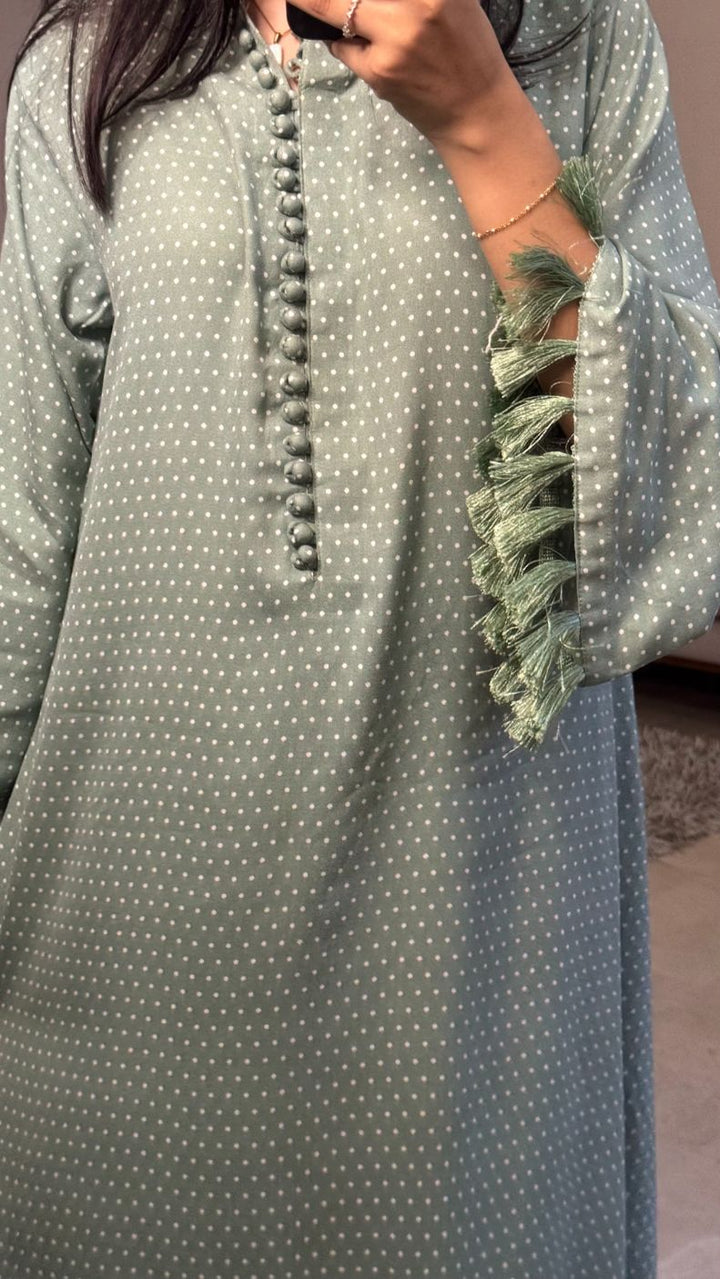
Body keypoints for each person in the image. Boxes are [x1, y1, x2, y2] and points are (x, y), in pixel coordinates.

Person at [0, 0, 718, 1271]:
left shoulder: (586, 42)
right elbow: (19, 545)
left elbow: (680, 518)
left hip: (480, 944)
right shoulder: (83, 74)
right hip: (123, 947)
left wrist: (484, 121)